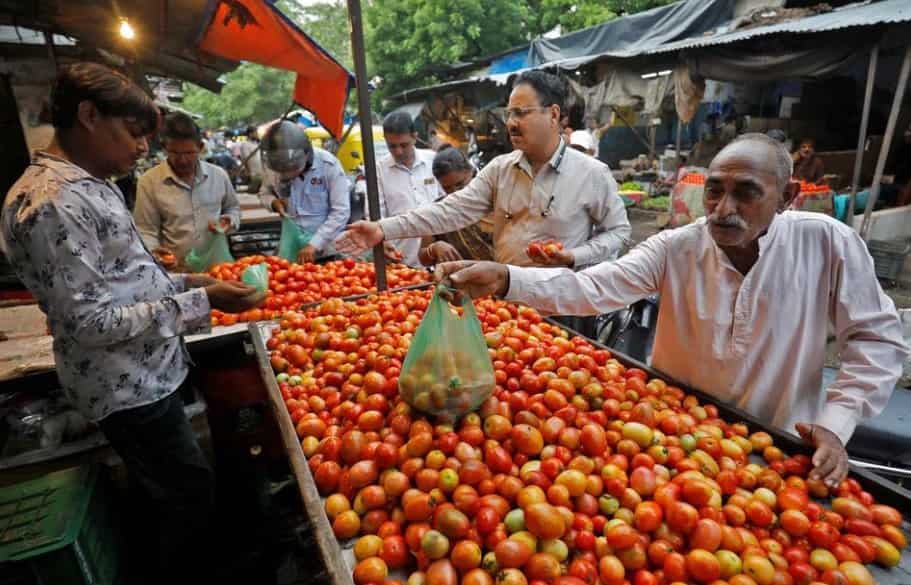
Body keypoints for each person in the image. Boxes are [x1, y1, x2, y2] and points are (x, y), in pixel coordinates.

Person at [436, 133, 908, 488]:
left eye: (746, 193)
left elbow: (876, 339)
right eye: (714, 191)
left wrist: (837, 421)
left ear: (787, 197)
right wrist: (507, 279)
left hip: (777, 449)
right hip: (671, 438)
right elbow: (594, 286)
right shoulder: (676, 246)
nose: (722, 208)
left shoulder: (827, 242)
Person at [0, 62, 264, 584]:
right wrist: (201, 302)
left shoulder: (89, 185)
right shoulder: (54, 203)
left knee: (171, 489)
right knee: (187, 495)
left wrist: (192, 284)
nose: (143, 147)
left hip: (146, 374)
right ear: (88, 115)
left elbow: (127, 280)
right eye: (133, 132)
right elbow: (92, 321)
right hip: (127, 387)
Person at [337, 70, 631, 270]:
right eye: (509, 113)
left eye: (521, 113)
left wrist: (574, 256)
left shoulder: (592, 174)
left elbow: (618, 232)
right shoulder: (500, 170)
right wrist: (382, 229)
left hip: (565, 305)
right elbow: (449, 211)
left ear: (553, 115)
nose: (511, 123)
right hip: (509, 306)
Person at [134, 112, 240, 269]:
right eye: (175, 153)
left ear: (201, 148)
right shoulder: (149, 182)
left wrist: (229, 221)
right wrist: (155, 253)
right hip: (177, 271)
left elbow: (233, 208)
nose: (183, 160)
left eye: (189, 153)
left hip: (220, 269)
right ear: (165, 148)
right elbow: (146, 230)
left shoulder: (218, 175)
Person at [258, 120, 350, 263]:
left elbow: (341, 211)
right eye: (283, 171)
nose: (287, 175)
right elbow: (264, 193)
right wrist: (273, 203)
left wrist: (314, 244)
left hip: (326, 249)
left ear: (306, 155)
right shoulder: (275, 167)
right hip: (291, 245)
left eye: (292, 169)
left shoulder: (328, 166)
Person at [371, 111, 443, 267]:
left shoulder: (433, 160)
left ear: (414, 137)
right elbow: (375, 214)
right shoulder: (379, 170)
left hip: (439, 255)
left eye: (404, 145)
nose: (398, 151)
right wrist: (382, 240)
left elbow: (448, 201)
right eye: (392, 146)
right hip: (401, 259)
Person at [417, 146, 494, 265]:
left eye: (460, 185)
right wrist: (434, 248)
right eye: (447, 188)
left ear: (470, 172)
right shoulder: (439, 211)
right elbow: (423, 259)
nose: (455, 192)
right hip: (461, 275)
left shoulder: (495, 200)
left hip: (504, 273)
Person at [237, 125, 264, 192]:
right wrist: (249, 172)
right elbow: (245, 159)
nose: (257, 134)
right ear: (250, 134)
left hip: (260, 172)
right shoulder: (245, 144)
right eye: (255, 133)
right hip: (253, 174)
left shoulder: (256, 143)